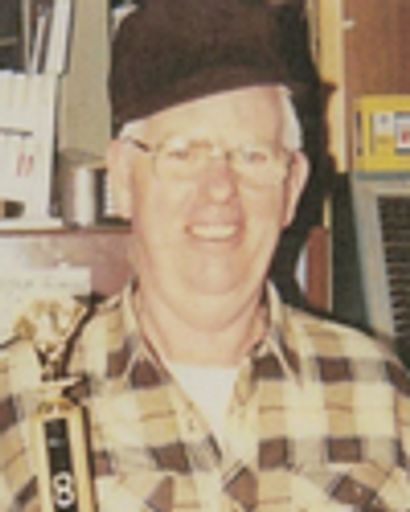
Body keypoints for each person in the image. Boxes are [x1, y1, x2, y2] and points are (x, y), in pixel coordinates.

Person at [1, 0, 410, 510]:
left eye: (252, 156)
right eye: (183, 154)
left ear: (291, 186)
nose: (219, 189)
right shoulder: (21, 397)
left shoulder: (377, 391)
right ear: (123, 179)